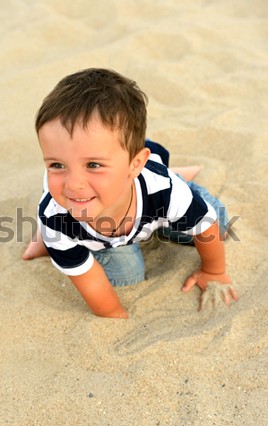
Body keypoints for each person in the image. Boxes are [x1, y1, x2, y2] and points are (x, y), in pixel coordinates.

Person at [23, 68, 238, 318]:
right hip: (101, 227)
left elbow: (206, 226)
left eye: (93, 165)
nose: (73, 183)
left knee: (220, 224)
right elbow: (91, 282)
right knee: (127, 276)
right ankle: (43, 238)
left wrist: (213, 271)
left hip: (151, 196)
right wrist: (115, 314)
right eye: (56, 165)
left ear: (135, 165)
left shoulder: (163, 190)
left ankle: (174, 174)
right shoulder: (56, 217)